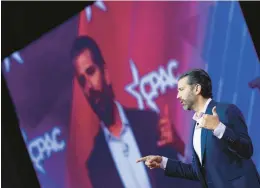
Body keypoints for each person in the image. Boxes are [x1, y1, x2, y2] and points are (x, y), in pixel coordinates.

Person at [70, 36, 187, 188]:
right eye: (82, 81)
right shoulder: (95, 164)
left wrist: (180, 149)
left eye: (91, 72)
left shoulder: (150, 123)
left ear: (106, 74)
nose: (89, 87)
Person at [137, 69, 260, 188]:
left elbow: (247, 150)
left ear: (197, 89)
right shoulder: (196, 126)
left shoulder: (226, 111)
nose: (178, 96)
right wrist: (163, 163)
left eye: (181, 90)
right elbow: (198, 173)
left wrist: (219, 128)